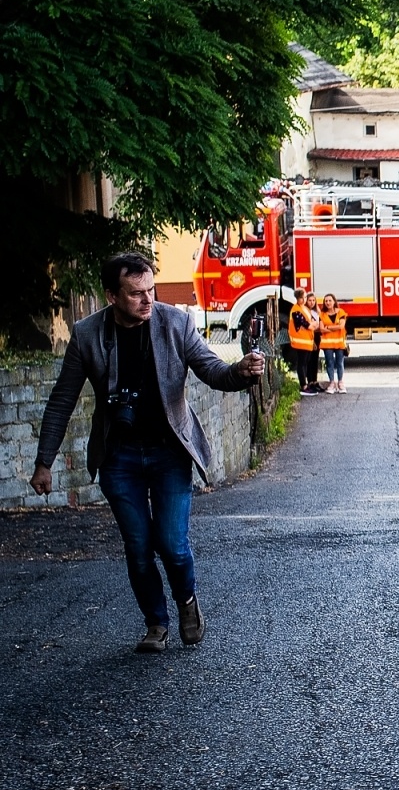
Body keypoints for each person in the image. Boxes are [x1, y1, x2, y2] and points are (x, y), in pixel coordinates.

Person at [29, 253, 265, 653]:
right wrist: (43, 463)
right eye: (136, 293)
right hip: (119, 458)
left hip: (169, 451)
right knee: (138, 547)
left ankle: (187, 600)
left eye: (151, 290)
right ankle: (156, 623)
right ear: (111, 296)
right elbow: (61, 400)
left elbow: (212, 370)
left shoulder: (175, 323)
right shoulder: (88, 335)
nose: (147, 300)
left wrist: (240, 372)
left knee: (172, 543)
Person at [287, 289, 320, 395]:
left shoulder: (304, 308)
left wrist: (313, 325)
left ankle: (306, 385)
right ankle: (303, 386)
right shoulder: (296, 310)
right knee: (301, 364)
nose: (305, 299)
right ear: (298, 298)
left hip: (307, 341)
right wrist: (313, 325)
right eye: (304, 297)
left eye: (305, 297)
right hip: (301, 342)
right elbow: (309, 325)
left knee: (305, 364)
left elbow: (314, 323)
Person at [319, 294, 349, 394]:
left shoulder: (341, 312)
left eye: (329, 300)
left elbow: (341, 326)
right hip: (327, 344)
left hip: (339, 343)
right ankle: (332, 383)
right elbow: (321, 328)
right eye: (326, 301)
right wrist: (334, 326)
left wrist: (328, 327)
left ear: (334, 301)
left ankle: (340, 383)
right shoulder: (322, 314)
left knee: (340, 363)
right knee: (329, 363)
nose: (328, 303)